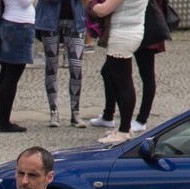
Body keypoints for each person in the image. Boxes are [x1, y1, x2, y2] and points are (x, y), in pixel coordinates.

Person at [91, 0, 167, 134]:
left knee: (144, 76)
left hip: (143, 28)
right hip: (133, 27)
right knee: (109, 72)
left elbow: (103, 10)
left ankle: (139, 121)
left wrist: (91, 5)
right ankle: (110, 115)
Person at [87, 0, 146, 144]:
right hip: (129, 32)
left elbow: (102, 10)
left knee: (123, 84)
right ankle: (124, 127)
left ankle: (124, 131)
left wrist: (91, 4)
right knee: (110, 75)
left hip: (122, 36)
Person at [0, 0, 36, 133]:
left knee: (5, 73)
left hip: (10, 22)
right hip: (19, 25)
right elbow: (25, 2)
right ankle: (3, 121)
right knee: (11, 76)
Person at [35, 0, 87, 128]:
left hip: (75, 20)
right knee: (51, 66)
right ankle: (54, 111)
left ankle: (75, 113)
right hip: (49, 19)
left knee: (76, 67)